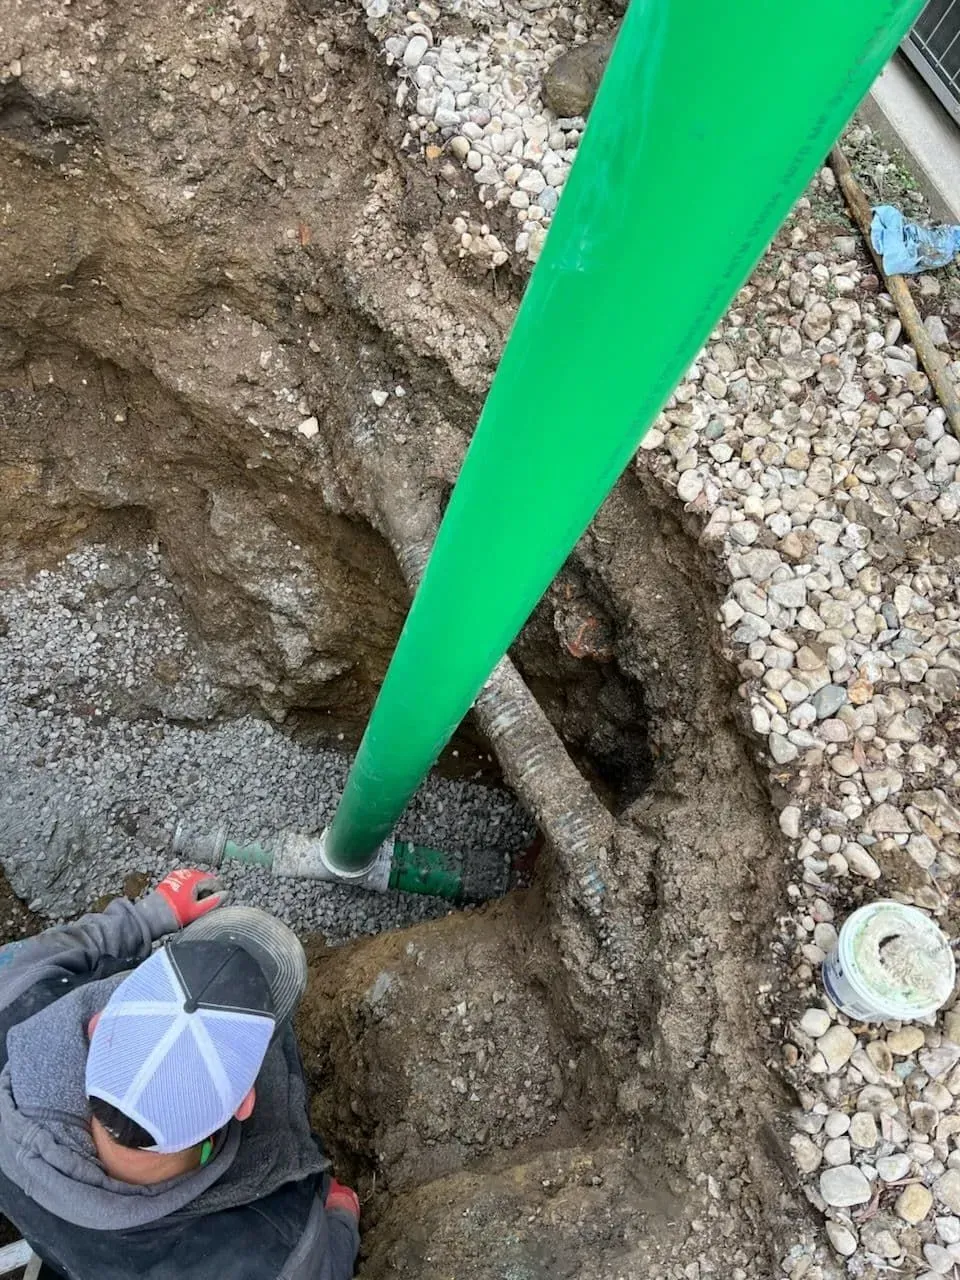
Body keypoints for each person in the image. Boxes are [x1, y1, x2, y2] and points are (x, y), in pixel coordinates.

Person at [0, 868, 361, 1279]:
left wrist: (150, 915)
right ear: (244, 1103)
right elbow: (326, 1266)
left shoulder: (12, 1010)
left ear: (98, 1023)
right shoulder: (272, 1252)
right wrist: (339, 1219)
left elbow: (34, 958)